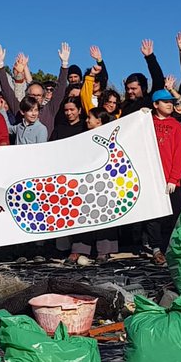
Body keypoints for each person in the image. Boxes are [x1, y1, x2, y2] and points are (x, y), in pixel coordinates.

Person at [65, 111, 119, 264]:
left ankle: (104, 251)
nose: (87, 120)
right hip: (85, 183)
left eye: (90, 118)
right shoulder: (82, 138)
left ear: (99, 121)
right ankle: (78, 250)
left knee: (105, 214)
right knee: (82, 214)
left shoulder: (110, 137)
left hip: (106, 182)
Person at [144, 90, 181, 265]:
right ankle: (156, 249)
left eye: (171, 102)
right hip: (151, 178)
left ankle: (170, 247)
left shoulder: (176, 125)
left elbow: (179, 154)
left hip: (171, 180)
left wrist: (174, 178)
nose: (170, 104)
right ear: (155, 105)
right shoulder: (146, 123)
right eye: (165, 102)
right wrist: (140, 115)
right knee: (153, 217)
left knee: (173, 215)